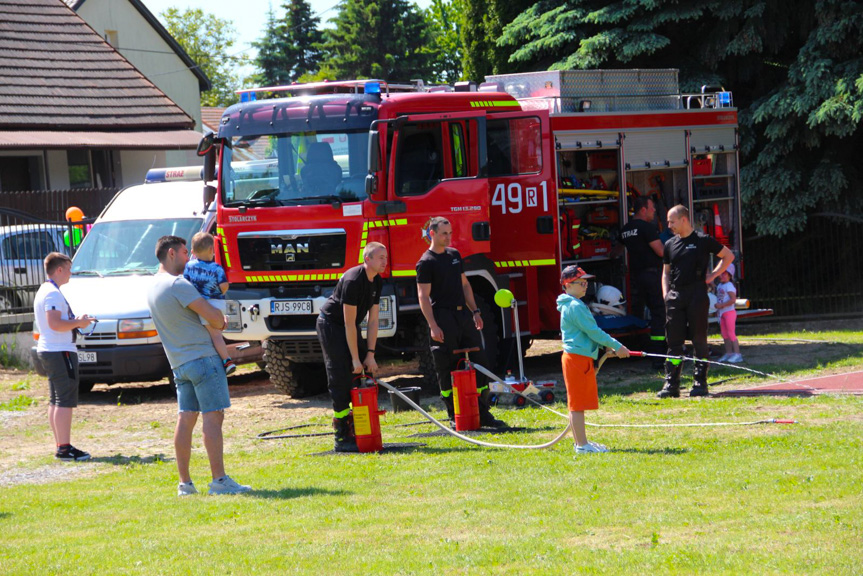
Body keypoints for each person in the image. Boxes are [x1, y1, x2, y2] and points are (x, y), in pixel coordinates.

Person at [147, 235, 251, 496]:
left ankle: (185, 484)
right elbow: (214, 317)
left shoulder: (153, 286)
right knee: (214, 417)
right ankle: (219, 481)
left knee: (185, 419)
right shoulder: (178, 284)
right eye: (184, 252)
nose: (189, 257)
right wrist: (221, 320)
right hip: (203, 359)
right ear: (171, 253)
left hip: (179, 364)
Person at [416, 217, 506, 429]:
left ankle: (484, 413)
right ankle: (453, 414)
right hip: (443, 317)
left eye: (450, 233)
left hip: (463, 316)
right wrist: (433, 325)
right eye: (443, 233)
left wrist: (475, 311)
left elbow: (465, 285)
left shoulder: (454, 255)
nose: (448, 237)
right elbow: (423, 296)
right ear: (432, 234)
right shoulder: (426, 262)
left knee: (480, 360)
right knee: (446, 365)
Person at [316, 242, 387, 452]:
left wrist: (370, 355)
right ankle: (341, 434)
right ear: (367, 259)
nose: (384, 261)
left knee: (364, 371)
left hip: (349, 326)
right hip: (331, 324)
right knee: (341, 373)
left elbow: (373, 321)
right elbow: (348, 323)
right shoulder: (353, 280)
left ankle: (361, 425)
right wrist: (355, 359)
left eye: (385, 257)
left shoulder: (377, 281)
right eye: (380, 257)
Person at [660, 205, 734, 398]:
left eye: (672, 221)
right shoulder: (669, 244)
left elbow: (728, 255)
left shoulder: (702, 240)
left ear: (684, 219)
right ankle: (671, 384)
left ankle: (700, 382)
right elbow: (665, 273)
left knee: (699, 340)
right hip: (676, 296)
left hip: (697, 295)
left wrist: (714, 275)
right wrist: (666, 295)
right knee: (674, 342)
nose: (669, 226)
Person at [557, 265, 630, 454]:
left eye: (586, 282)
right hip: (576, 359)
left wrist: (606, 348)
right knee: (577, 405)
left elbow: (588, 334)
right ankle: (582, 445)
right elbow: (593, 331)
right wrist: (616, 346)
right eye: (581, 282)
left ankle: (581, 443)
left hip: (579, 358)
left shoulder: (574, 304)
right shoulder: (574, 306)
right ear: (568, 284)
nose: (585, 286)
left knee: (578, 404)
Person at [33, 252, 95, 462]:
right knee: (64, 400)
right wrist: (78, 323)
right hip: (59, 351)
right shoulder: (52, 293)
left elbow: (56, 322)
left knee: (56, 400)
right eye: (68, 269)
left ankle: (61, 445)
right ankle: (64, 448)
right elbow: (55, 323)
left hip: (51, 349)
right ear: (59, 270)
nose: (70, 273)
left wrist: (76, 321)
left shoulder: (46, 289)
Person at [619, 196, 665, 366]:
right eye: (652, 208)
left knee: (637, 313)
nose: (654, 211)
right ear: (643, 209)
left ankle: (637, 348)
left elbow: (615, 251)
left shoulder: (626, 229)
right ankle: (659, 356)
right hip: (652, 276)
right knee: (659, 313)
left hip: (636, 278)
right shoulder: (647, 228)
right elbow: (661, 251)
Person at [183, 231, 235, 375]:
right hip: (219, 302)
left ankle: (227, 361)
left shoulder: (189, 266)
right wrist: (221, 292)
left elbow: (185, 284)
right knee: (218, 327)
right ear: (212, 250)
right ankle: (224, 320)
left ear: (192, 251)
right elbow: (224, 285)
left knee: (215, 335)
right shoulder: (217, 268)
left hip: (204, 304)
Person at [714, 263, 742, 363]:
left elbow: (733, 300)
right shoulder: (720, 285)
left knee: (731, 333)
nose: (721, 276)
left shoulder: (729, 286)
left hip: (729, 312)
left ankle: (737, 354)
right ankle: (729, 353)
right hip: (721, 313)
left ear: (730, 275)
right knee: (724, 334)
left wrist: (721, 306)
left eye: (724, 273)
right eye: (720, 273)